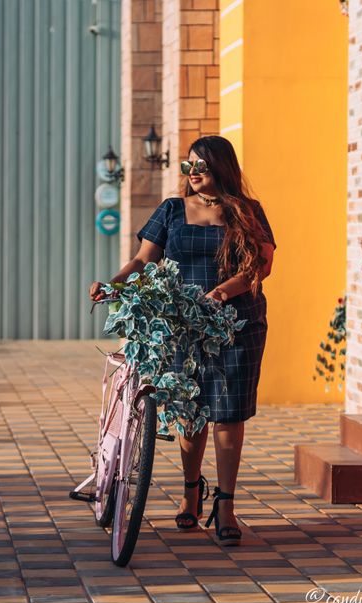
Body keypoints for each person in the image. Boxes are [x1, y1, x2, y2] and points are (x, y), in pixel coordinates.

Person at [89, 136, 276, 547]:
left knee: (228, 414)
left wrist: (220, 293)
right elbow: (142, 260)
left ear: (222, 169)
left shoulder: (248, 212)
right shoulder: (172, 210)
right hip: (180, 324)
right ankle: (191, 492)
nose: (193, 173)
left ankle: (226, 505)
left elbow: (259, 267)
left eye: (202, 167)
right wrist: (113, 285)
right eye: (189, 166)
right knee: (190, 410)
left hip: (236, 323)